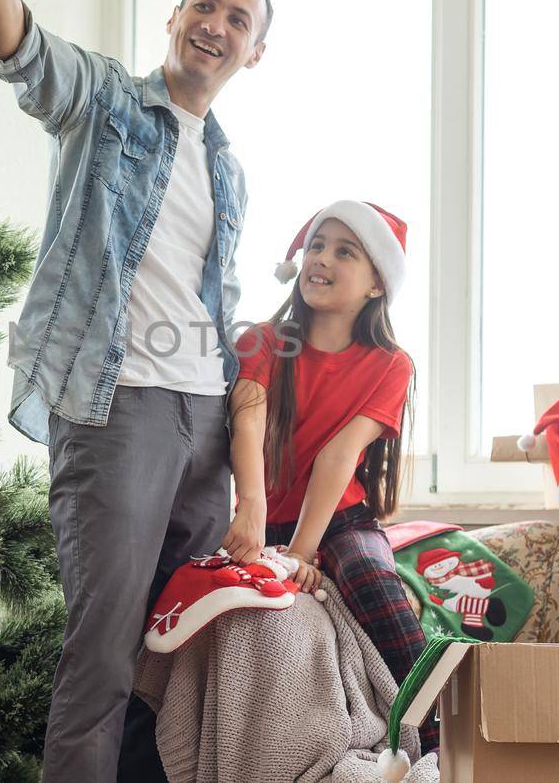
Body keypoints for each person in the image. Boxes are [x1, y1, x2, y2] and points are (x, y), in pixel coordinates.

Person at [0, 0, 270, 783]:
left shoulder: (226, 164)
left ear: (253, 53)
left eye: (238, 19)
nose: (216, 24)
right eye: (204, 6)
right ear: (174, 19)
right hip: (116, 403)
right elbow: (19, 51)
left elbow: (218, 293)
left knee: (172, 657)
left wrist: (242, 427)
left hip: (202, 417)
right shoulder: (103, 101)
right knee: (102, 652)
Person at [223, 200, 437, 752]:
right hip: (266, 518)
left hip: (342, 520)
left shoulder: (392, 364)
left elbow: (336, 459)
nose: (322, 258)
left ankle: (440, 729)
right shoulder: (264, 341)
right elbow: (246, 418)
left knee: (366, 572)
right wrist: (253, 512)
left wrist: (302, 553)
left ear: (375, 284)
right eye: (317, 245)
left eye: (345, 251)